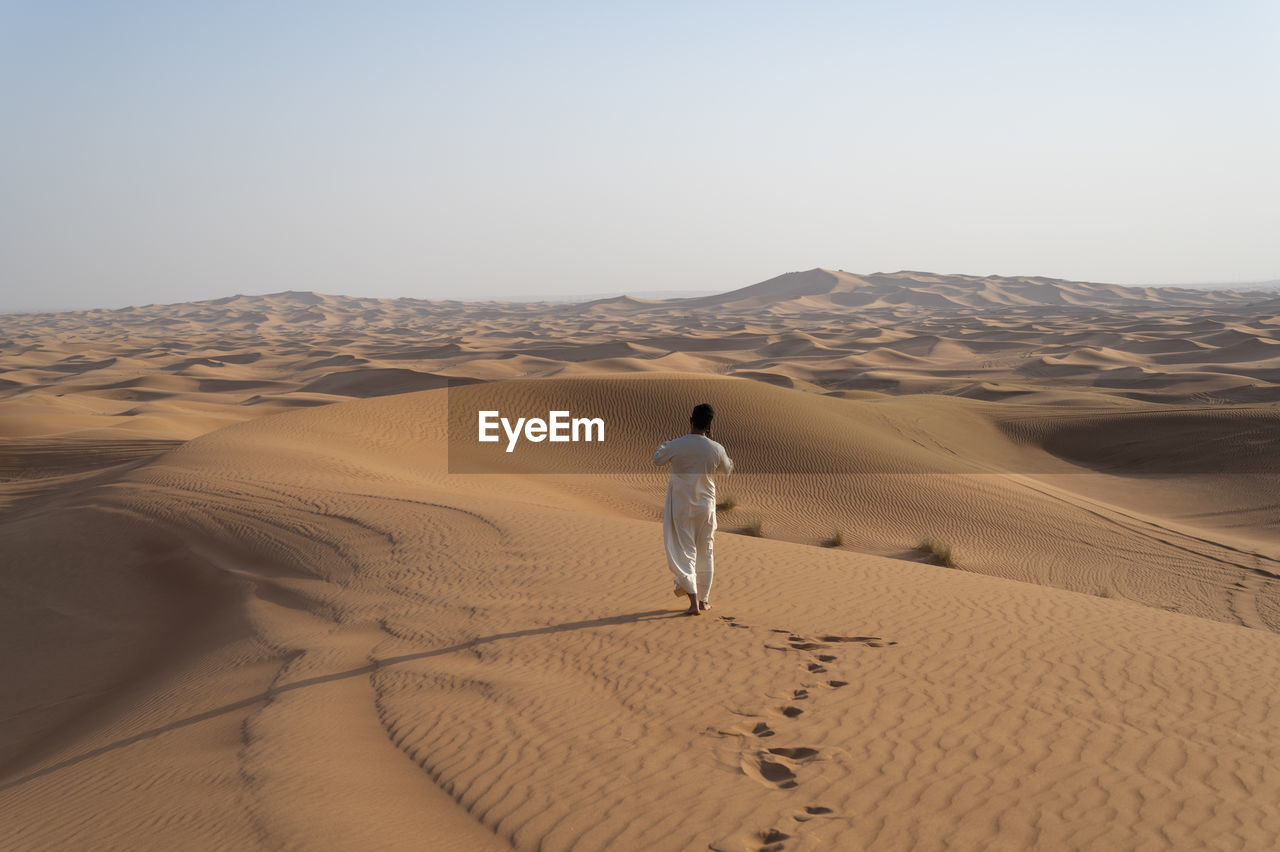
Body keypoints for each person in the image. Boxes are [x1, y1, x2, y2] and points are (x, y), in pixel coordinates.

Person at [652, 403, 733, 616]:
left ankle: (693, 601)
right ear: (709, 425)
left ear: (690, 420)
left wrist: (668, 444)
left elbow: (657, 458)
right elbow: (727, 469)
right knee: (706, 552)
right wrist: (713, 446)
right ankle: (704, 601)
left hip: (682, 506)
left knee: (686, 551)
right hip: (706, 507)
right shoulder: (716, 448)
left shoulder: (677, 445)